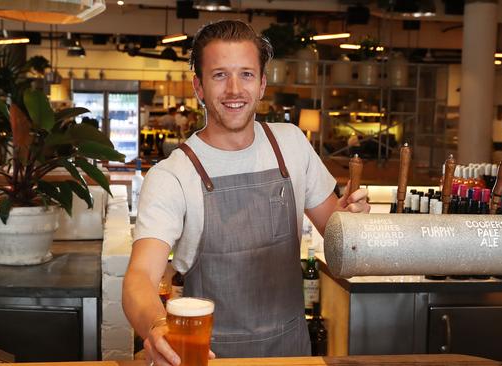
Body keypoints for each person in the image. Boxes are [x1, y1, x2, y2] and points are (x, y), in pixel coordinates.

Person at [122, 19, 370, 366]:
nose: (234, 89)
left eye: (247, 74)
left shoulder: (292, 145)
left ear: (263, 84)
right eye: (220, 75)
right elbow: (140, 276)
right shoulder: (173, 175)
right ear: (199, 87)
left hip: (291, 353)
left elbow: (338, 233)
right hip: (208, 356)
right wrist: (156, 325)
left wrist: (354, 222)